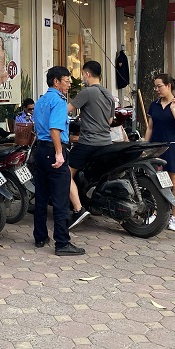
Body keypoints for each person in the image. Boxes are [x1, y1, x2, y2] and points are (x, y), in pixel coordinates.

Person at [32, 66, 85, 256]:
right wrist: (59, 153)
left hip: (40, 150)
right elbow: (55, 129)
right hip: (53, 150)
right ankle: (62, 242)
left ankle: (40, 236)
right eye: (66, 80)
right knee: (61, 199)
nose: (69, 84)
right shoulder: (59, 101)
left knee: (41, 196)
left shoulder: (40, 101)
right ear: (56, 81)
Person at [67, 60, 115, 230]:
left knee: (64, 174)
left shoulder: (87, 92)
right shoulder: (108, 94)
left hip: (88, 143)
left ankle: (78, 209)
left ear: (87, 74)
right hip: (106, 142)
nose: (82, 77)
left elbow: (66, 110)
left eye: (83, 74)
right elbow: (110, 121)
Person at [145, 73, 175, 231]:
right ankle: (156, 213)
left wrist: (173, 109)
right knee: (156, 182)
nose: (157, 89)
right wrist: (145, 146)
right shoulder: (154, 105)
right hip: (156, 147)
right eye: (155, 87)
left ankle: (174, 217)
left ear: (168, 86)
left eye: (159, 86)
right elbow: (150, 128)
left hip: (173, 146)